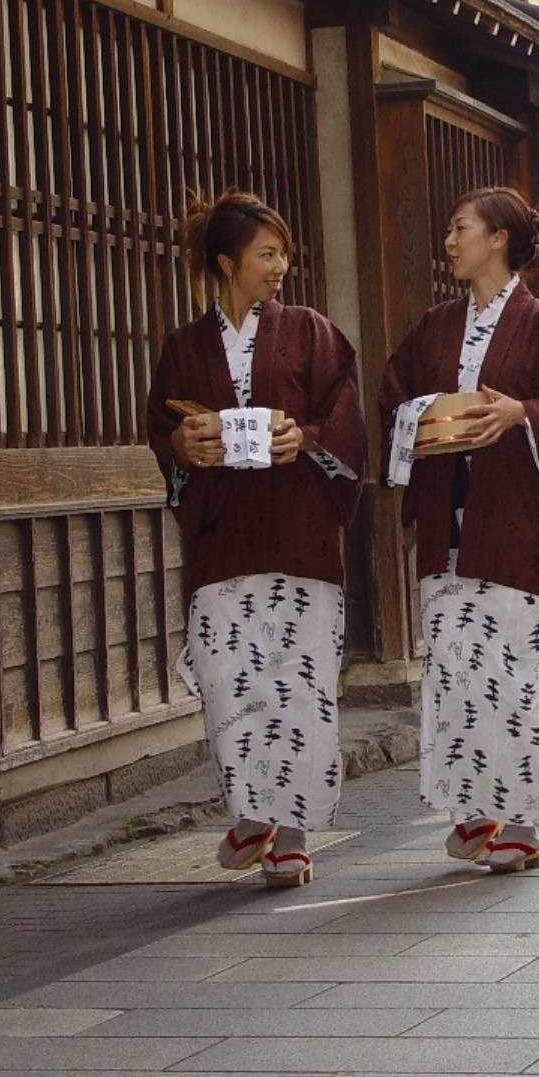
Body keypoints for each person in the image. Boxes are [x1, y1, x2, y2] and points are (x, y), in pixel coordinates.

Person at [379, 187, 539, 873]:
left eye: (461, 229)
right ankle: (476, 810)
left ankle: (525, 820)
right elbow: (393, 393)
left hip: (512, 524)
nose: (450, 241)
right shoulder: (438, 325)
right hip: (450, 519)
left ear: (500, 239)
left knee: (518, 674)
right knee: (455, 671)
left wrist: (521, 416)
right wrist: (425, 415)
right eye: (449, 229)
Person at [146, 191, 364, 887]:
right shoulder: (184, 348)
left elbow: (345, 417)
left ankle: (291, 832)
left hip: (299, 530)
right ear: (226, 262)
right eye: (267, 254)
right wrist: (181, 444)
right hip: (225, 537)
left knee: (298, 682)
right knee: (229, 678)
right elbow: (163, 430)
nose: (280, 267)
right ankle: (250, 811)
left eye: (284, 254)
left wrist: (306, 436)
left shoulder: (312, 333)